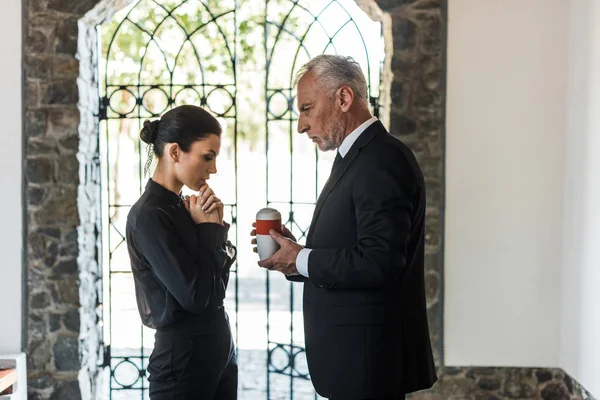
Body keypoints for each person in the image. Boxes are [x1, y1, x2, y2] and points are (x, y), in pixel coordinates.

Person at [251, 55, 437, 399]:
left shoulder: (382, 159)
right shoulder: (358, 157)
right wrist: (295, 256)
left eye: (307, 108)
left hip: (367, 364)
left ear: (343, 98)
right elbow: (354, 249)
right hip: (356, 361)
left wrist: (301, 259)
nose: (301, 125)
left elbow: (379, 261)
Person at [126, 105, 237, 399]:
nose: (213, 169)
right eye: (207, 157)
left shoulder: (185, 208)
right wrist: (210, 232)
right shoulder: (149, 216)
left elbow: (217, 291)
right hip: (183, 364)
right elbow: (196, 297)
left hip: (216, 353)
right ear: (175, 152)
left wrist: (213, 228)